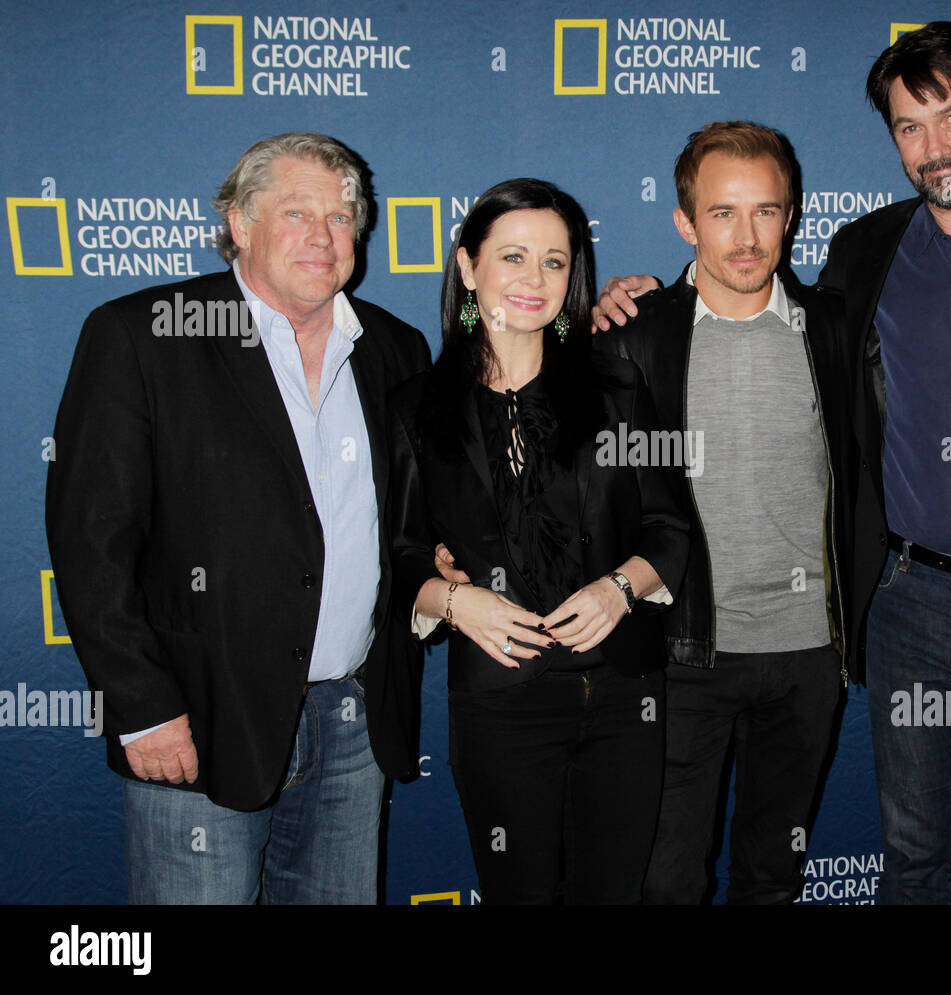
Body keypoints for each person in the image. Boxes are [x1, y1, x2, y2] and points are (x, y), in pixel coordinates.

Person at [594, 22, 951, 905]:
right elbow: (743, 312)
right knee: (916, 864)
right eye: (910, 126)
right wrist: (631, 296)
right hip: (911, 608)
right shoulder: (864, 255)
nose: (934, 145)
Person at [45, 132, 432, 904]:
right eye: (296, 212)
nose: (323, 237)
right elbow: (93, 546)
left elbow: (416, 521)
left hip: (353, 719)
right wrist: (144, 708)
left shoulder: (396, 347)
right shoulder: (142, 335)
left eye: (342, 215)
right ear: (238, 223)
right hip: (199, 721)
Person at [389, 178, 689, 904]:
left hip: (624, 698)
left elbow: (671, 528)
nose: (534, 279)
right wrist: (458, 603)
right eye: (514, 257)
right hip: (501, 705)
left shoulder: (617, 388)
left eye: (555, 262)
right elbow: (398, 555)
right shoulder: (416, 406)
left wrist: (620, 589)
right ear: (468, 267)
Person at [588, 122, 856, 904]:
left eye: (766, 212)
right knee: (667, 879)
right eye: (723, 214)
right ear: (684, 222)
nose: (747, 238)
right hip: (683, 651)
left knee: (772, 874)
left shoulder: (833, 328)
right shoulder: (632, 335)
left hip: (808, 654)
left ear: (792, 215)